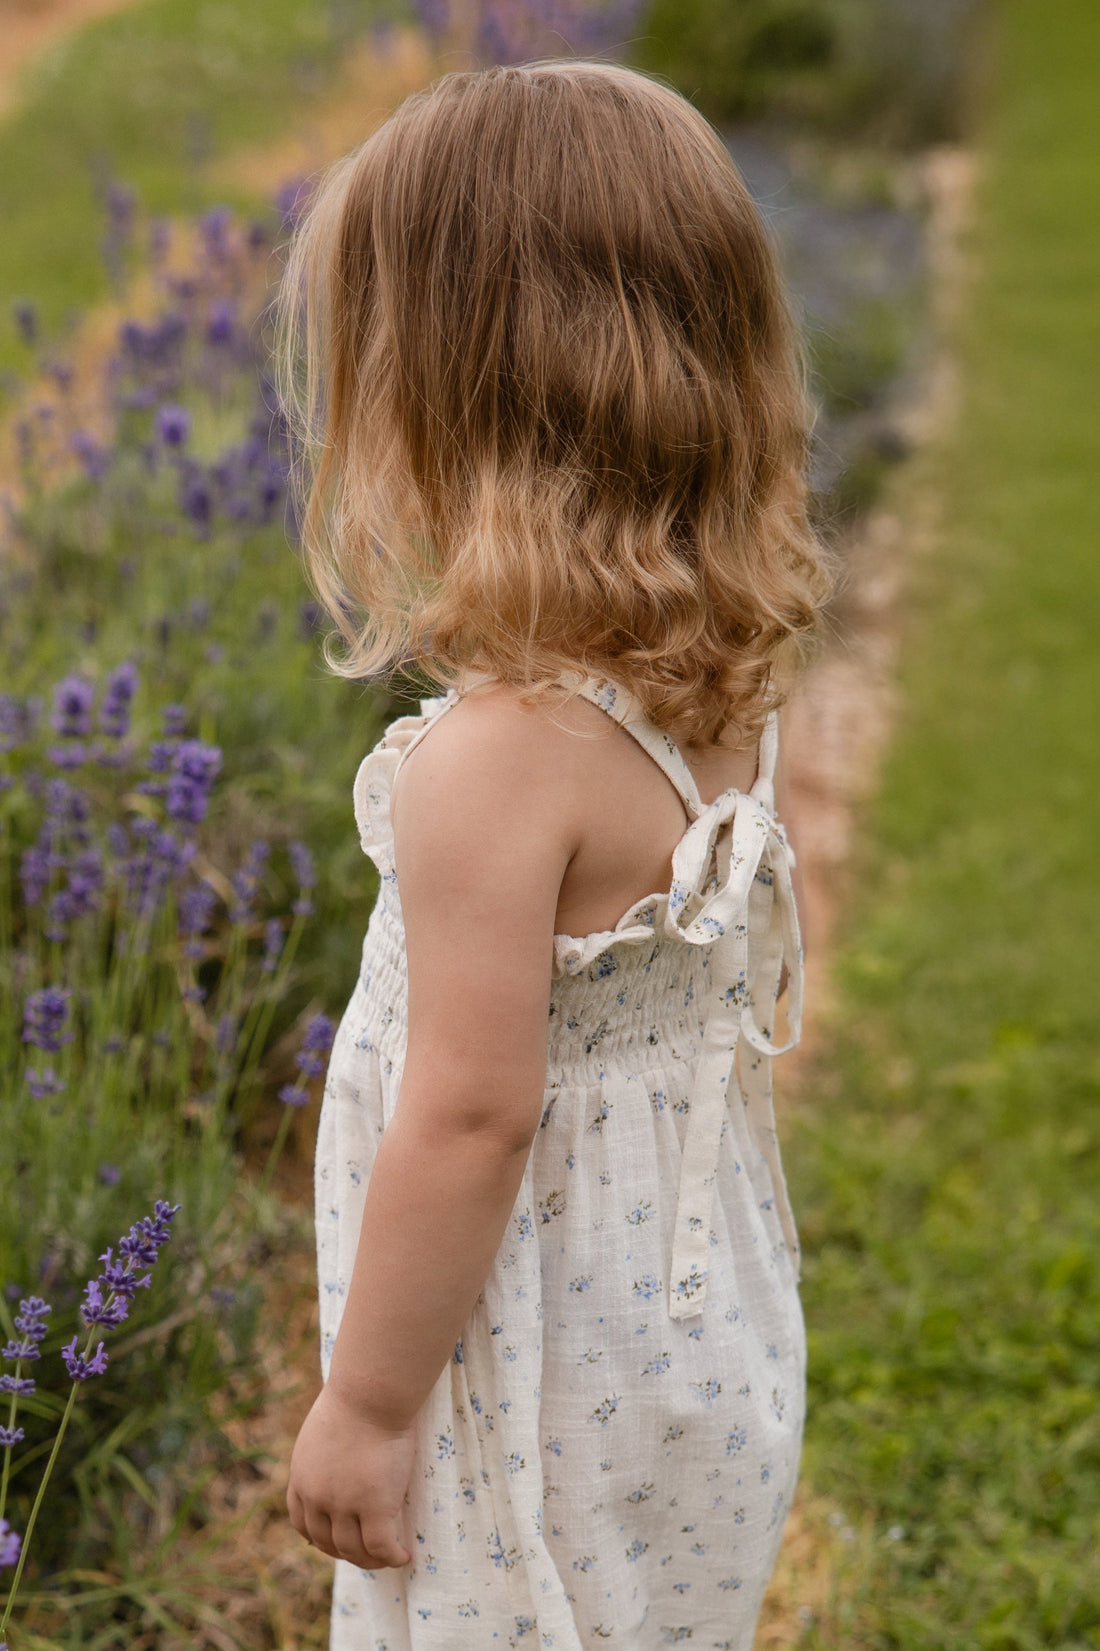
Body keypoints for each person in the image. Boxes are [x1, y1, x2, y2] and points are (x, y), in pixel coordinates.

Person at [273, 57, 832, 1650]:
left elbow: (473, 1114)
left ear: (450, 403)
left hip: (521, 1362)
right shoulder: (724, 676)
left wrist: (369, 1405)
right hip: (690, 1330)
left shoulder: (495, 761)